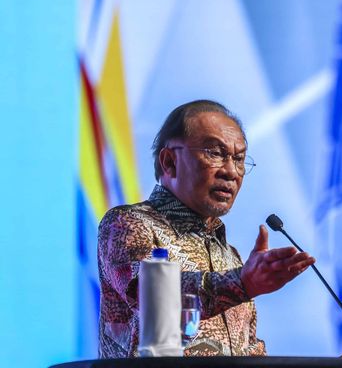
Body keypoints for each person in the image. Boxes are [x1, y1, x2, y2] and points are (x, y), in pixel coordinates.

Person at [97, 100, 315, 357]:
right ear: (169, 162)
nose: (231, 171)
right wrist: (242, 282)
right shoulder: (127, 224)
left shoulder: (230, 256)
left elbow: (248, 350)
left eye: (239, 158)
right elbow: (152, 299)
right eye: (215, 153)